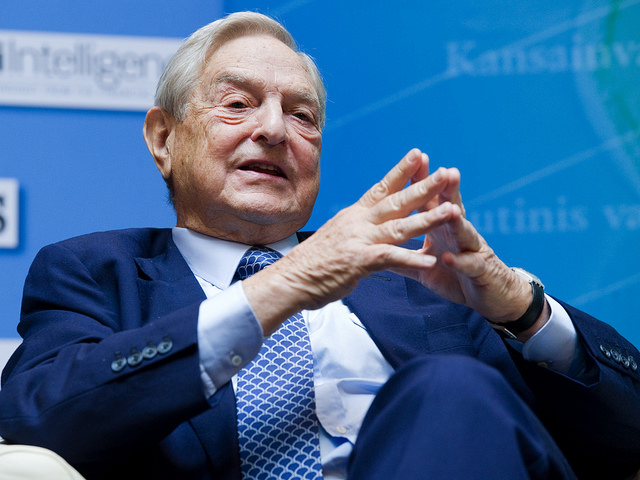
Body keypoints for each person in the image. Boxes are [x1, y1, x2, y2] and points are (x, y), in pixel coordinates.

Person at [0, 10, 639, 480]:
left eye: (303, 115)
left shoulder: (421, 290)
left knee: (448, 388)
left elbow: (624, 442)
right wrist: (284, 283)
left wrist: (518, 309)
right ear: (164, 139)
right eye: (238, 104)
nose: (275, 130)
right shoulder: (94, 274)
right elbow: (33, 422)